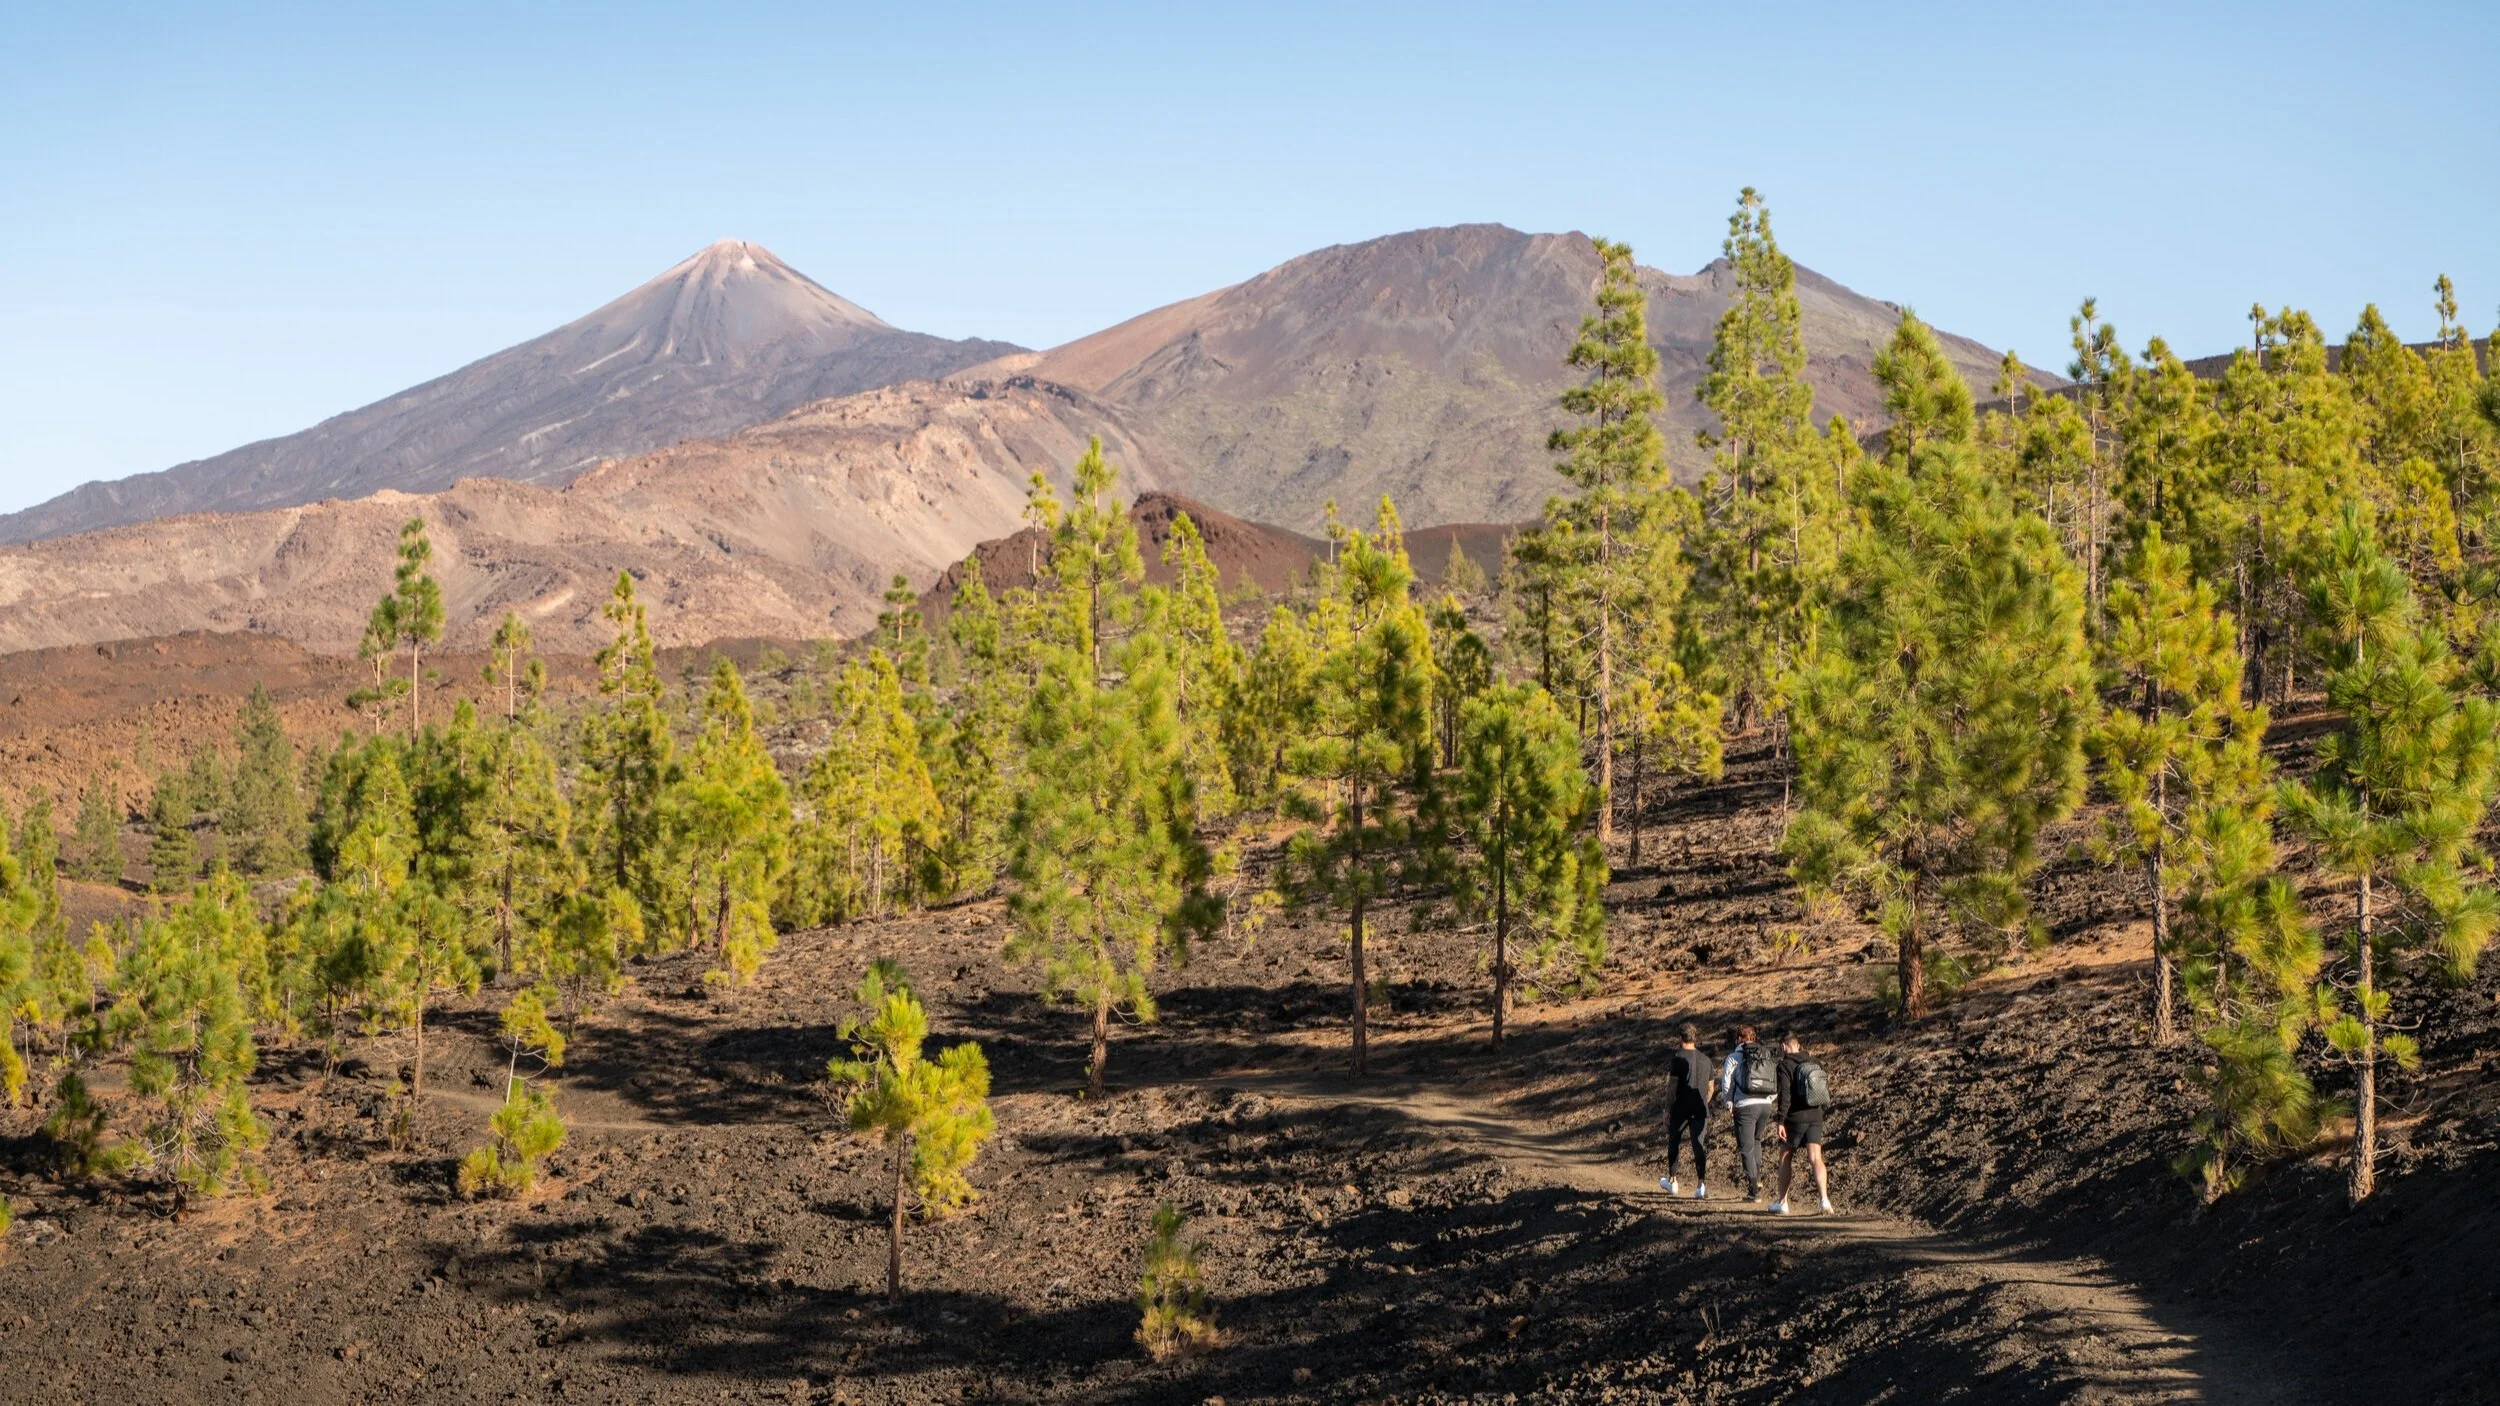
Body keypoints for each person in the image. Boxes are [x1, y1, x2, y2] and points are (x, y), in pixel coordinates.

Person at [1769, 1031, 1834, 1215]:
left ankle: (1782, 1202)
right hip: (1815, 1116)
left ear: (1784, 1047)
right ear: (1799, 1045)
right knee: (1816, 1158)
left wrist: (1780, 1120)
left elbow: (1785, 1096)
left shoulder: (1785, 1065)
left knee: (1785, 1157)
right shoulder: (1815, 1062)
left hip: (1794, 1118)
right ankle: (1824, 1200)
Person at [1718, 1024, 1779, 1201]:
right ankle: (1757, 1178)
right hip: (1765, 1105)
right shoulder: (1766, 1054)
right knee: (1757, 1141)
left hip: (1745, 1106)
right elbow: (1775, 1080)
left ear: (1738, 1039)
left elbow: (1727, 1083)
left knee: (1745, 1147)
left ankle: (1753, 1190)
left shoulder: (1734, 1057)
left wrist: (1729, 1103)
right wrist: (1769, 1100)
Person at [1657, 1023, 1715, 1198]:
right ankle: (1701, 1185)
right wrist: (1704, 1101)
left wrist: (1667, 1109)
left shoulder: (1678, 1057)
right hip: (1700, 1107)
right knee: (1698, 1144)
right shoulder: (1706, 1060)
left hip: (1681, 1106)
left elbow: (1672, 1086)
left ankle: (1673, 1180)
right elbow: (1711, 1087)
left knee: (1674, 1140)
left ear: (1680, 1038)